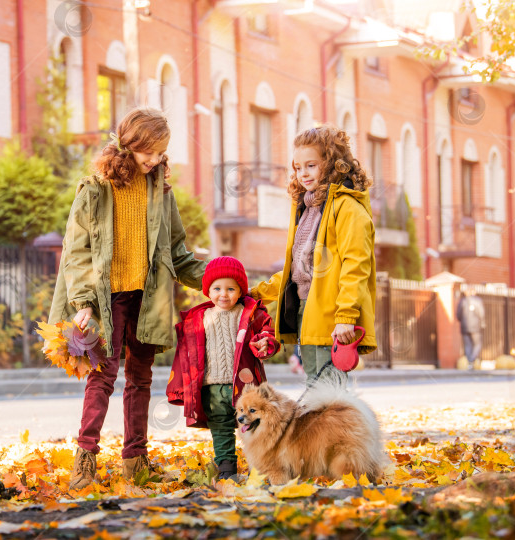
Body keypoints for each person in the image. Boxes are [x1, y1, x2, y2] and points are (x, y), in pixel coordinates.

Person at [49, 107, 207, 490]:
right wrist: (83, 301)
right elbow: (76, 251)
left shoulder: (161, 192)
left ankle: (136, 462)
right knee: (101, 377)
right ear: (129, 144)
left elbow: (177, 251)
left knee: (140, 379)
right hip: (106, 298)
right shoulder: (95, 188)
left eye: (161, 152)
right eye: (149, 151)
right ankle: (84, 461)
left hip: (147, 297)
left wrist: (217, 279)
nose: (155, 159)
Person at [250, 125, 377, 386]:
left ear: (331, 164)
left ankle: (346, 429)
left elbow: (356, 266)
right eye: (298, 167)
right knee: (316, 387)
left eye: (311, 165)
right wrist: (257, 292)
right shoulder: (306, 208)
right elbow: (298, 269)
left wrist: (346, 317)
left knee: (330, 394)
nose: (303, 174)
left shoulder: (348, 208)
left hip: (332, 314)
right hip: (305, 310)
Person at [166, 256, 279, 480]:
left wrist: (265, 343)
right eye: (217, 288)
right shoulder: (198, 318)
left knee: (257, 429)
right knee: (221, 430)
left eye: (231, 288)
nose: (223, 294)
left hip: (246, 388)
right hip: (212, 387)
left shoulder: (250, 313)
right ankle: (227, 471)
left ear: (240, 291)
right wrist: (181, 386)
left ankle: (261, 469)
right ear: (208, 291)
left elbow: (267, 334)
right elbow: (186, 356)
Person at [456, 287, 486, 370]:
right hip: (476, 326)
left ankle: (470, 362)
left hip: (464, 327)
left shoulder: (462, 301)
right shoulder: (477, 301)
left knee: (467, 345)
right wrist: (482, 323)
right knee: (477, 344)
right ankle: (472, 359)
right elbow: (481, 313)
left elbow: (458, 315)